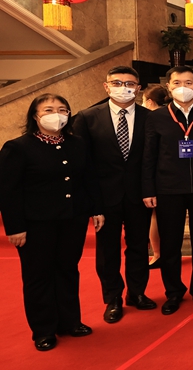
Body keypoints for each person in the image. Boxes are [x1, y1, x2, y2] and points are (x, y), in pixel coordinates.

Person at [0, 94, 104, 351]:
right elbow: (8, 191)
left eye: (62, 109)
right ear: (35, 115)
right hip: (36, 223)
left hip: (72, 219)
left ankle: (70, 322)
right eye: (48, 109)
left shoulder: (77, 143)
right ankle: (44, 330)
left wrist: (96, 209)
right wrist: (15, 227)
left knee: (67, 270)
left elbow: (89, 178)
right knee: (39, 275)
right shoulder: (18, 147)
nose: (56, 114)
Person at [72, 66, 155, 324]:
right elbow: (82, 163)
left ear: (138, 88)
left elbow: (151, 159)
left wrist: (150, 190)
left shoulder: (150, 117)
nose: (123, 88)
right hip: (103, 197)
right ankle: (113, 297)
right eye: (117, 83)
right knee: (108, 250)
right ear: (106, 87)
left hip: (139, 195)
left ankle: (137, 292)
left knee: (139, 246)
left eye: (129, 83)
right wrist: (92, 202)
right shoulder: (87, 118)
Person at [142, 66, 193, 315]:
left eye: (188, 82)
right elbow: (149, 156)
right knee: (170, 244)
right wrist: (148, 189)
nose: (183, 87)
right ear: (168, 86)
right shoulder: (156, 117)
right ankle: (173, 292)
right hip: (168, 189)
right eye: (177, 83)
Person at [142, 83, 167, 268]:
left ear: (150, 101)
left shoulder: (149, 119)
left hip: (156, 175)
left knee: (154, 217)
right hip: (163, 175)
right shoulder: (169, 116)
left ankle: (157, 254)